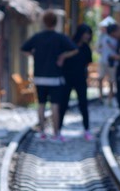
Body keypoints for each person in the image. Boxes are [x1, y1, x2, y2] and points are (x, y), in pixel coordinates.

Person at [21, 10, 78, 141]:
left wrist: (34, 55)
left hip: (39, 77)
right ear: (56, 22)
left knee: (41, 104)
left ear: (43, 22)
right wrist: (63, 56)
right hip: (55, 78)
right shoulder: (59, 37)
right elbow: (74, 50)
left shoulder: (37, 37)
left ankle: (42, 132)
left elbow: (24, 49)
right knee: (55, 105)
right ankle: (56, 133)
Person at [59, 24, 93, 140]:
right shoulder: (69, 44)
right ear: (80, 33)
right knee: (63, 104)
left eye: (89, 34)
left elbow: (87, 64)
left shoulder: (86, 48)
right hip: (67, 78)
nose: (87, 36)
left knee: (83, 105)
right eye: (86, 33)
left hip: (80, 79)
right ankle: (58, 130)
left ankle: (87, 130)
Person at [98, 21, 120, 104]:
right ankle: (101, 97)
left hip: (112, 62)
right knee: (100, 78)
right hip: (103, 60)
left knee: (111, 81)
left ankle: (109, 99)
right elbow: (99, 48)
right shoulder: (102, 37)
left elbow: (117, 49)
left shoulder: (115, 38)